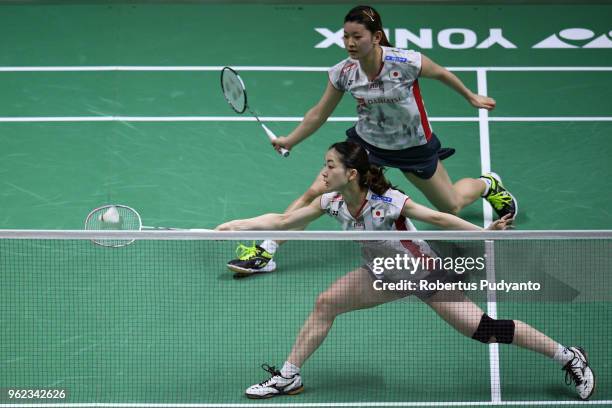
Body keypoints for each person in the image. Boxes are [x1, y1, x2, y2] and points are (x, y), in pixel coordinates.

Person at [216, 141, 594, 401]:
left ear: (351, 173)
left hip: (422, 273)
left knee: (485, 330)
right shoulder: (332, 202)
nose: (323, 171)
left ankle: (569, 356)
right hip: (380, 272)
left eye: (329, 165)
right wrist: (238, 224)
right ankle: (289, 376)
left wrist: (485, 234)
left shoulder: (387, 202)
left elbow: (437, 216)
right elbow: (284, 219)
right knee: (326, 303)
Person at [227, 5, 517, 276]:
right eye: (346, 36)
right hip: (366, 146)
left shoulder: (405, 62)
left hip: (412, 147)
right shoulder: (344, 72)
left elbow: (441, 73)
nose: (350, 43)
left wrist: (471, 97)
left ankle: (487, 184)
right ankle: (266, 250)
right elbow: (318, 113)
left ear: (376, 37)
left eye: (357, 36)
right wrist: (291, 140)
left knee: (451, 205)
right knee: (315, 193)